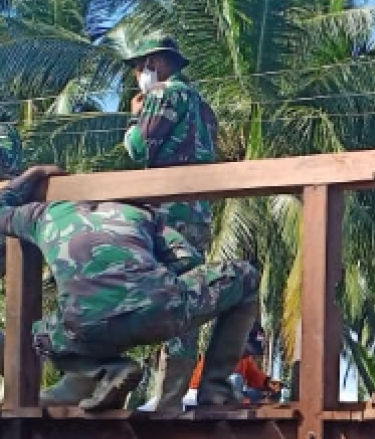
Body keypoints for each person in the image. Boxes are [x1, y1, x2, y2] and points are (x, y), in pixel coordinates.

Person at [0, 166, 260, 411]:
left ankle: (104, 369)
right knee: (246, 276)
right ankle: (215, 388)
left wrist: (34, 174)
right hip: (159, 311)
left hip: (84, 328)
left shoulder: (41, 216)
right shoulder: (141, 213)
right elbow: (186, 260)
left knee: (41, 336)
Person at [123, 35, 221, 411]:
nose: (137, 75)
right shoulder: (202, 106)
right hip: (196, 213)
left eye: (139, 66)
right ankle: (170, 397)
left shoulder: (164, 94)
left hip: (169, 214)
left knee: (158, 296)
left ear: (156, 64)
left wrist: (136, 115)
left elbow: (139, 147)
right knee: (186, 296)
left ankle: (160, 398)